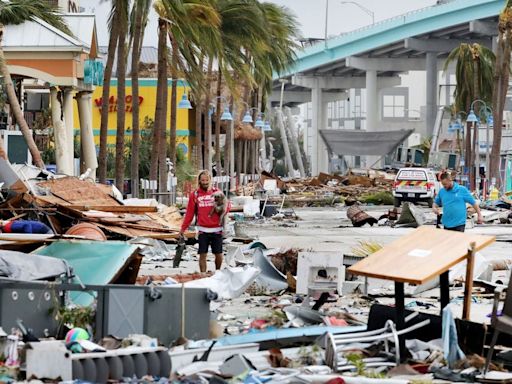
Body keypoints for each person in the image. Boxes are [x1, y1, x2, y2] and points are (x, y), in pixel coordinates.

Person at [180, 170, 227, 272]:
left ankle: (218, 272)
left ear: (210, 180)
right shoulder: (195, 195)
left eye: (207, 180)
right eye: (203, 180)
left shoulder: (217, 192)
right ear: (199, 181)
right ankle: (203, 275)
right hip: (203, 230)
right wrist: (183, 229)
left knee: (218, 254)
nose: (205, 182)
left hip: (217, 229)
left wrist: (223, 209)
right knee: (202, 254)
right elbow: (189, 213)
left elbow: (227, 205)